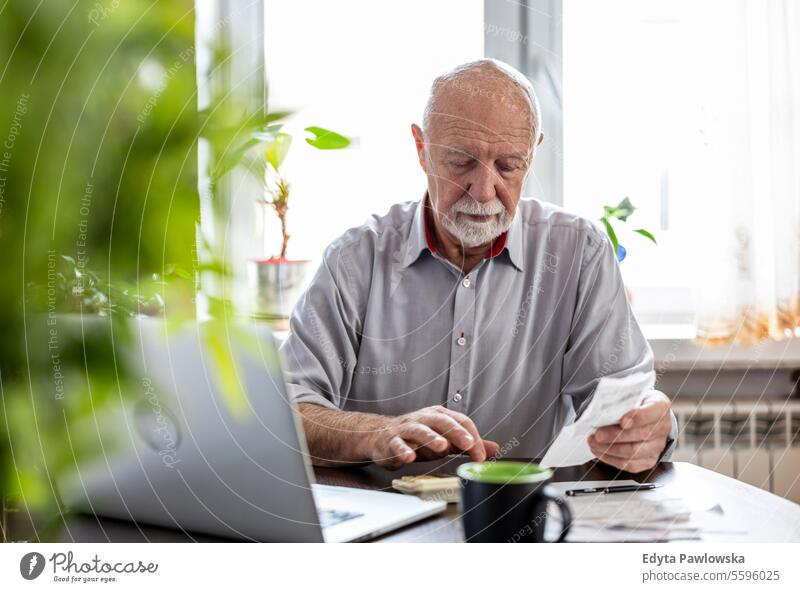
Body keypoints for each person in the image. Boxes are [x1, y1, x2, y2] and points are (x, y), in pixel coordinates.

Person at [280, 58, 675, 472]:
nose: (484, 191)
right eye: (460, 162)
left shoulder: (580, 253)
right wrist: (376, 432)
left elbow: (623, 404)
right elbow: (287, 407)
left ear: (532, 153)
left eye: (508, 165)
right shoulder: (356, 259)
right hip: (382, 521)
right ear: (422, 150)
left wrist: (648, 429)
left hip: (520, 520)